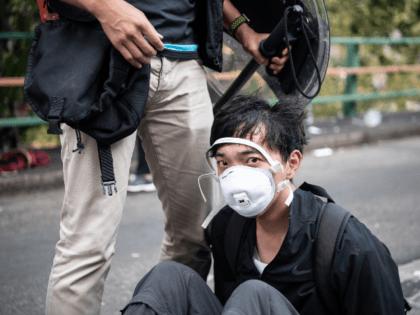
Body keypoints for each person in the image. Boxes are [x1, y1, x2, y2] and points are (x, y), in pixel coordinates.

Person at [45, 0, 291, 313]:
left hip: (184, 63)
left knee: (194, 236)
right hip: (100, 51)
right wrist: (105, 8)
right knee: (88, 244)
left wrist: (243, 29)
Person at [121, 94, 406, 315]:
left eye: (251, 160)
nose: (234, 174)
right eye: (223, 162)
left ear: (291, 163)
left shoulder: (348, 243)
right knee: (168, 277)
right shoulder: (226, 228)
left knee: (254, 294)